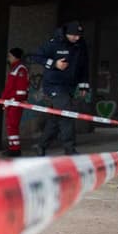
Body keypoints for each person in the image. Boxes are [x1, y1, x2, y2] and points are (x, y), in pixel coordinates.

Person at [30, 20, 90, 156]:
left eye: (79, 35)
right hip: (54, 85)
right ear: (66, 33)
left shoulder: (80, 45)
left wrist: (84, 85)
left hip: (70, 86)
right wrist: (54, 64)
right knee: (66, 115)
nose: (77, 38)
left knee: (56, 118)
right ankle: (69, 149)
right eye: (74, 35)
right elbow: (35, 56)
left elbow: (84, 66)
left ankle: (41, 146)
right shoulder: (54, 43)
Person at [1, 47, 29, 157]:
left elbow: (21, 90)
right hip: (11, 102)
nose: (8, 58)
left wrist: (13, 100)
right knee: (10, 126)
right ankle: (12, 147)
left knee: (12, 125)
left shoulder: (20, 69)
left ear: (15, 56)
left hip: (15, 102)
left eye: (10, 56)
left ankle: (15, 149)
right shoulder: (15, 68)